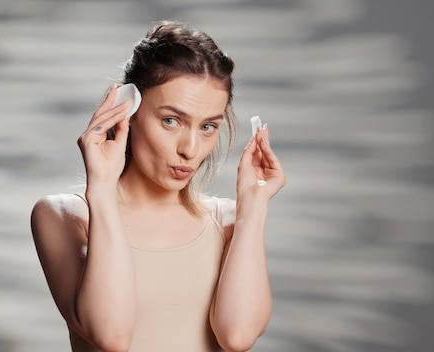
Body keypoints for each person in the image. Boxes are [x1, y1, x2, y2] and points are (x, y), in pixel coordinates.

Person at [31, 20, 286, 352]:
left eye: (208, 127)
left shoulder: (228, 222)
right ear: (128, 112)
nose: (190, 149)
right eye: (171, 120)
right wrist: (103, 188)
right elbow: (111, 335)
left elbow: (237, 337)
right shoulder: (66, 215)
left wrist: (253, 208)